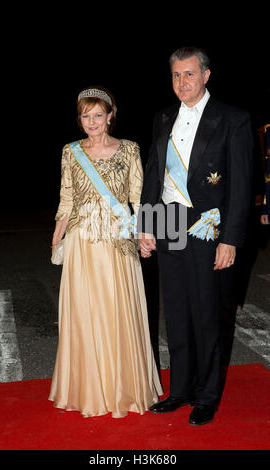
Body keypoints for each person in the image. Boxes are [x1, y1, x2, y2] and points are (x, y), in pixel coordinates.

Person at [138, 47, 253, 425]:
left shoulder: (232, 119)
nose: (181, 83)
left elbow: (240, 185)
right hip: (168, 219)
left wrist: (230, 239)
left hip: (207, 224)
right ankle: (181, 389)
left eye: (188, 74)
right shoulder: (163, 117)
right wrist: (147, 227)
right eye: (175, 75)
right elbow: (154, 175)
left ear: (205, 75)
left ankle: (206, 395)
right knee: (176, 311)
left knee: (206, 312)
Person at [49, 85, 162, 418]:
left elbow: (139, 198)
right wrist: (58, 233)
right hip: (83, 240)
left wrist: (146, 233)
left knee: (118, 308)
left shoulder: (129, 149)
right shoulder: (71, 151)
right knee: (85, 312)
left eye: (98, 114)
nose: (92, 121)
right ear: (80, 118)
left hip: (117, 238)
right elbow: (66, 198)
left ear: (111, 116)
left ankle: (123, 388)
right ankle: (88, 389)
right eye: (86, 115)